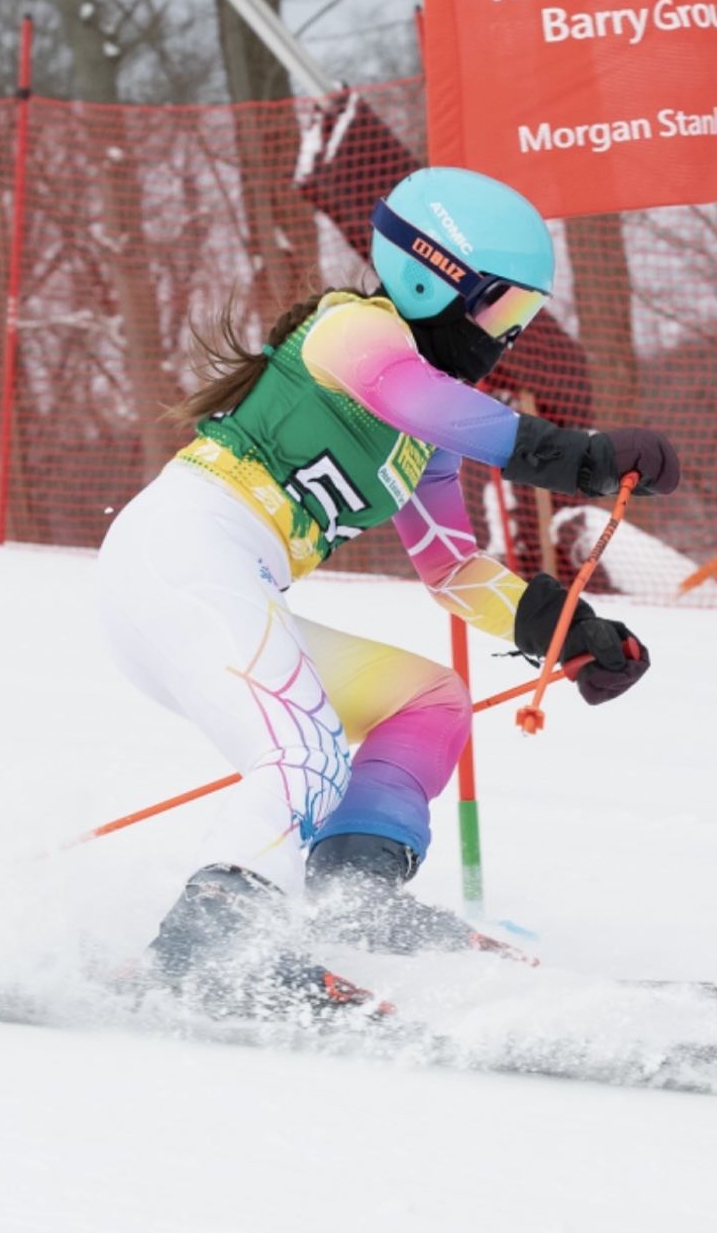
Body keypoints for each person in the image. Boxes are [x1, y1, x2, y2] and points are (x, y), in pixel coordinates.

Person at [95, 166, 679, 1020]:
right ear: (432, 278)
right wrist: (580, 455)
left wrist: (568, 627)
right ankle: (209, 938)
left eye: (522, 319)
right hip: (178, 557)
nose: (507, 337)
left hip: (230, 586)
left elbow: (451, 567)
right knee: (304, 753)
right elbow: (412, 394)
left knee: (427, 698)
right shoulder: (351, 330)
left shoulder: (423, 436)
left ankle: (353, 892)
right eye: (501, 309)